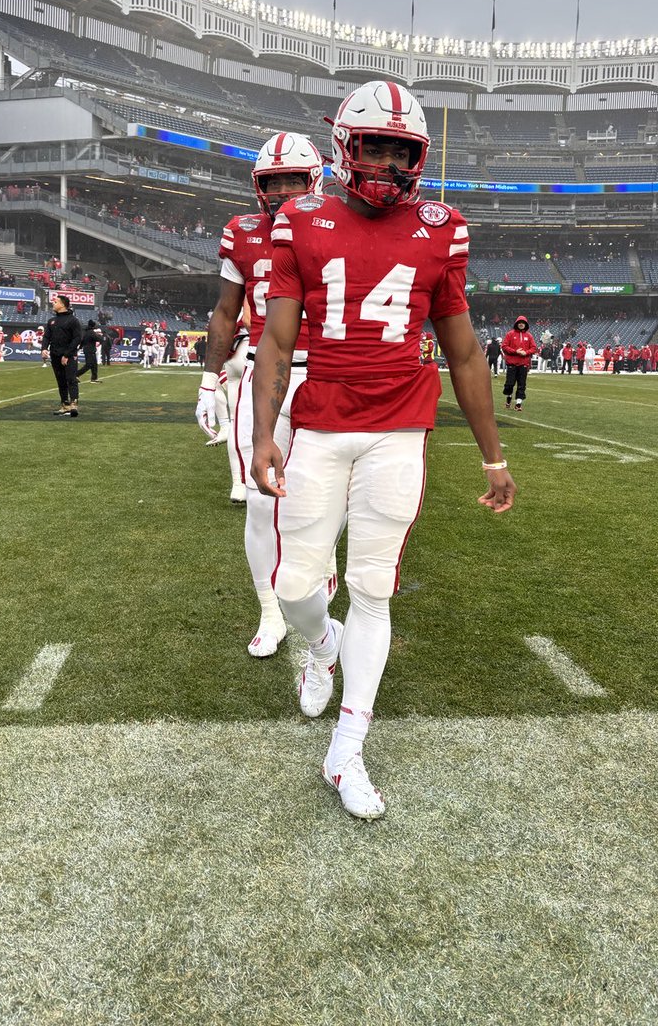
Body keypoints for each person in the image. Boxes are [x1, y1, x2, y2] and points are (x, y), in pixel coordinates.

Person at [251, 80, 516, 820]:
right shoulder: (298, 218)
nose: (391, 163)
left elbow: (463, 353)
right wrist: (261, 434)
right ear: (345, 144)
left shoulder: (443, 226)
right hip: (321, 420)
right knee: (296, 583)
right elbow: (276, 338)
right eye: (377, 145)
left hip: (399, 425)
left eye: (404, 150)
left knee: (374, 584)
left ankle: (348, 749)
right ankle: (322, 645)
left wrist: (493, 456)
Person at [196, 130, 329, 657]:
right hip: (263, 374)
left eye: (292, 180)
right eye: (272, 182)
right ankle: (270, 611)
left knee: (325, 492)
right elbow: (226, 312)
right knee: (257, 501)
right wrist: (209, 381)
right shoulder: (243, 232)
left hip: (324, 373)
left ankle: (321, 567)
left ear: (314, 180)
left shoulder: (336, 226)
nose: (281, 192)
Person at [41, 295, 83, 416]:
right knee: (61, 381)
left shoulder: (73, 320)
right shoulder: (51, 321)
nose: (53, 303)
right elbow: (46, 337)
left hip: (69, 355)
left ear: (63, 304)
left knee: (71, 379)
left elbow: (77, 338)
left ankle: (74, 404)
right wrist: (44, 348)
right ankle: (65, 405)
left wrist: (67, 354)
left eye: (55, 302)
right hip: (55, 355)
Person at [501, 314, 537, 410]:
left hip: (523, 365)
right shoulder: (510, 334)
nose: (521, 324)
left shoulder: (529, 336)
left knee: (522, 385)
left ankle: (518, 404)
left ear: (526, 324)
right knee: (509, 384)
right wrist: (515, 351)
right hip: (512, 364)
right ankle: (508, 398)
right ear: (516, 324)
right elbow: (504, 346)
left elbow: (533, 348)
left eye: (523, 323)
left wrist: (526, 352)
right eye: (520, 323)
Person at [77, 318, 103, 383]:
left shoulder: (86, 332)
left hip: (88, 350)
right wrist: (100, 336)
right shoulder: (92, 332)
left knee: (94, 364)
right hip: (90, 351)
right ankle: (76, 375)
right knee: (89, 365)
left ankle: (94, 378)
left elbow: (82, 341)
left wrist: (80, 348)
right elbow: (99, 339)